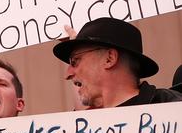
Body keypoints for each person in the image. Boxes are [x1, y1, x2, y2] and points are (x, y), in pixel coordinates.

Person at [52, 17, 182, 108]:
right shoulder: (82, 125)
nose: (67, 74)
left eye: (74, 61)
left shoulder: (169, 106)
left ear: (109, 59)